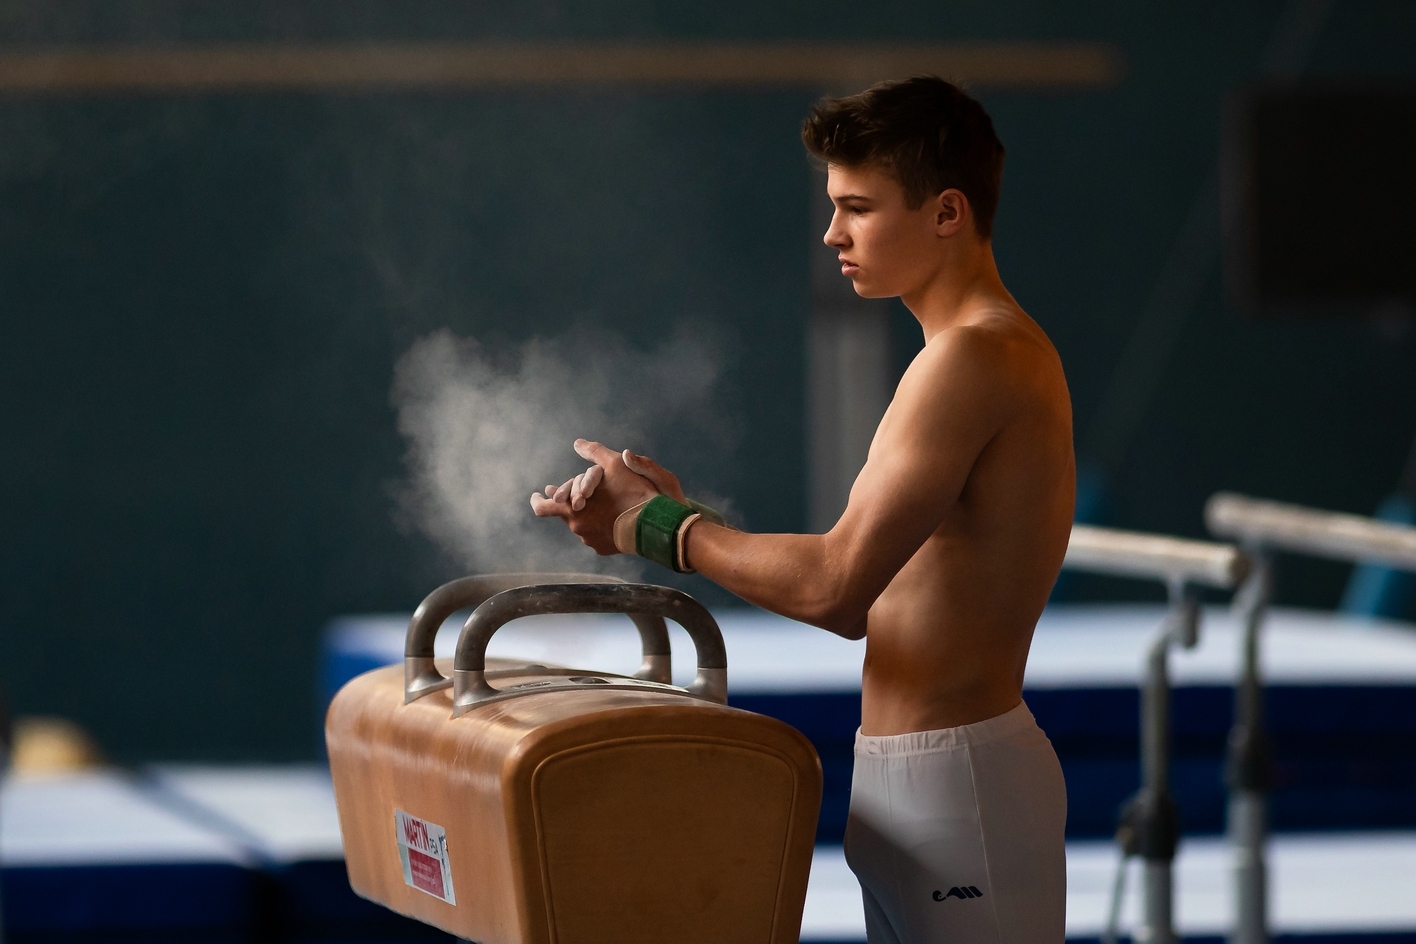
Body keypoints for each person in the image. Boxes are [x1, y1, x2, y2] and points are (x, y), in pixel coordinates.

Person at [531, 75, 1074, 944]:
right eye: (833, 206)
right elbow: (873, 593)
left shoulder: (977, 358)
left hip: (962, 784)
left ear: (947, 212)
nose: (832, 233)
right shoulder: (956, 357)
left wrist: (661, 529)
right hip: (910, 778)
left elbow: (835, 589)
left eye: (858, 208)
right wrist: (667, 515)